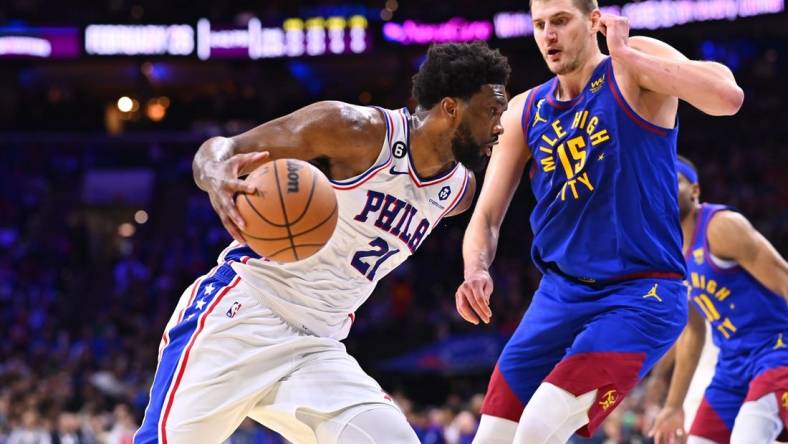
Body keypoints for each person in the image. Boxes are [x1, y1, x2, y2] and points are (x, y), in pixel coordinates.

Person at [133, 41, 510, 444]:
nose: (500, 126)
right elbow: (223, 149)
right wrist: (216, 175)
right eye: (492, 111)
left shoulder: (457, 192)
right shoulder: (354, 130)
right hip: (243, 317)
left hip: (317, 345)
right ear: (451, 108)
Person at [453, 0, 744, 441]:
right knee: (491, 435)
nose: (548, 35)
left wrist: (627, 53)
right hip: (559, 295)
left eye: (561, 21)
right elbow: (487, 217)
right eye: (539, 25)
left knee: (537, 428)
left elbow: (727, 97)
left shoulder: (632, 65)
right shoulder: (523, 111)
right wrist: (475, 268)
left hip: (640, 292)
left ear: (594, 22)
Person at [649, 156, 788, 444]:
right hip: (731, 366)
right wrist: (673, 405)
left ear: (694, 191)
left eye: (671, 180)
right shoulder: (667, 259)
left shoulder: (721, 227)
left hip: (776, 349)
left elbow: (784, 279)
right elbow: (692, 332)